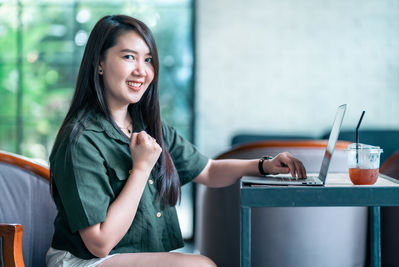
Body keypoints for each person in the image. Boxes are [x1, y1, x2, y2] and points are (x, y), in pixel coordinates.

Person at [46, 14, 306, 267]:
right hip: (85, 261)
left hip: (132, 256)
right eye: (128, 57)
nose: (141, 70)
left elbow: (209, 170)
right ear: (99, 63)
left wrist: (265, 165)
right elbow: (99, 244)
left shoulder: (148, 127)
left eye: (148, 60)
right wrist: (141, 168)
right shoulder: (80, 140)